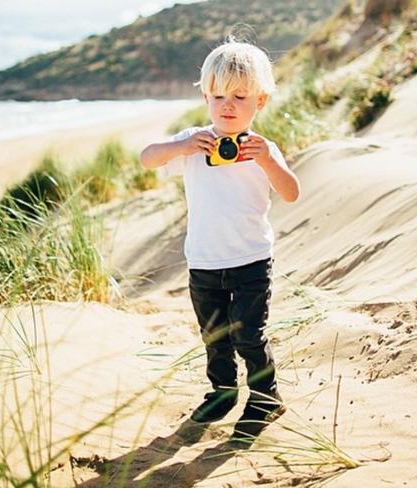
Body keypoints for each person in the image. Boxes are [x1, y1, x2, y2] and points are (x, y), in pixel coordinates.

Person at [139, 38, 301, 444]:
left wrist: (266, 159)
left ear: (259, 101)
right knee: (214, 335)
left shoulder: (262, 148)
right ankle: (222, 391)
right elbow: (146, 157)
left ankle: (266, 396)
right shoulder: (194, 142)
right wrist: (180, 145)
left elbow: (291, 192)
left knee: (249, 334)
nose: (227, 105)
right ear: (205, 96)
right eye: (217, 95)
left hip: (250, 260)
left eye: (240, 96)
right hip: (203, 261)